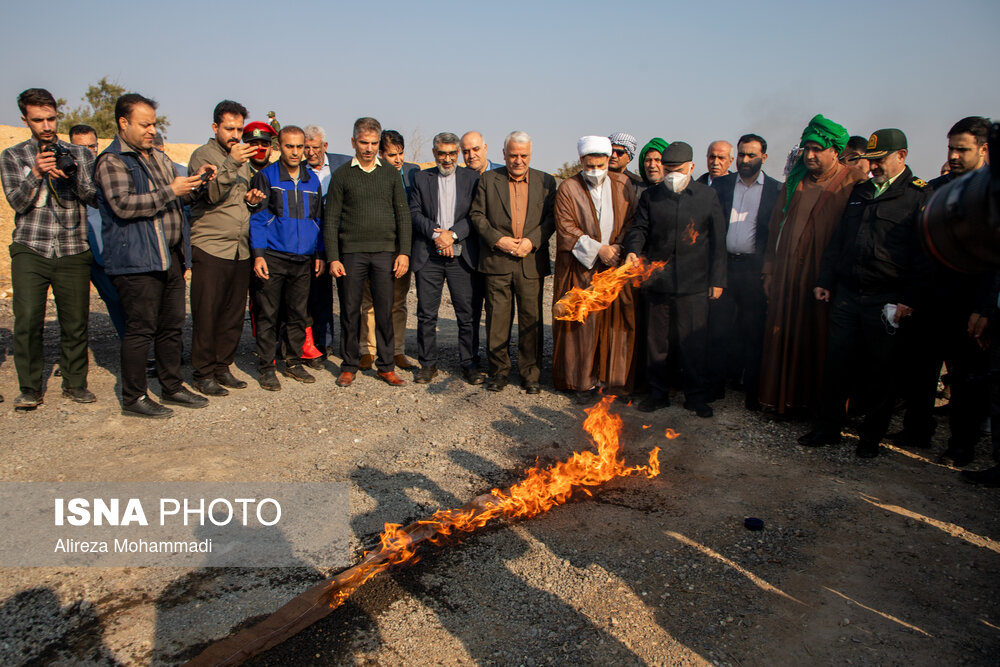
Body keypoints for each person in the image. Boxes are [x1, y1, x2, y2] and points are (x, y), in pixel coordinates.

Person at [798, 129, 931, 458]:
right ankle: (828, 428)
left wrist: (908, 298)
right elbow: (839, 241)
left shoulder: (917, 196)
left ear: (901, 156)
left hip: (885, 298)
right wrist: (824, 279)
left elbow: (923, 255)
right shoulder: (860, 192)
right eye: (870, 161)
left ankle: (870, 438)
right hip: (847, 293)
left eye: (880, 160)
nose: (873, 167)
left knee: (879, 370)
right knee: (837, 363)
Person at [94, 93, 214, 418]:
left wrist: (196, 184)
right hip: (137, 260)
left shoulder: (156, 157)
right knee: (140, 330)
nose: (151, 130)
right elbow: (123, 204)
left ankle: (172, 386)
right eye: (145, 124)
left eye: (153, 124)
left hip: (169, 257)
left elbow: (176, 200)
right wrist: (170, 192)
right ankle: (134, 397)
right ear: (123, 123)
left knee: (171, 326)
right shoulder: (113, 161)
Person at [892, 117, 992, 466]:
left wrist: (985, 308)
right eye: (951, 148)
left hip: (969, 304)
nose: (953, 156)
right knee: (920, 370)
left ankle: (961, 445)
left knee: (965, 378)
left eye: (962, 150)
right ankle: (917, 429)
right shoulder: (932, 189)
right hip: (927, 299)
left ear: (984, 150)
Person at [758, 115, 867, 417]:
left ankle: (819, 408)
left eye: (817, 149)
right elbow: (774, 227)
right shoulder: (796, 180)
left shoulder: (853, 181)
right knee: (784, 334)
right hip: (787, 276)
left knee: (819, 340)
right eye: (806, 148)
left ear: (834, 150)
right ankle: (783, 401)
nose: (809, 155)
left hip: (825, 281)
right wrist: (769, 269)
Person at [1, 88, 97, 409]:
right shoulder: (13, 156)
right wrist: (38, 173)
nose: (46, 126)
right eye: (38, 120)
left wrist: (70, 178)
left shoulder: (81, 154)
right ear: (25, 120)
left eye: (51, 118)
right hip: (31, 246)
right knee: (27, 319)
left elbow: (95, 197)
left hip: (73, 246)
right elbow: (17, 201)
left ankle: (75, 383)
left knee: (75, 320)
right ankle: (29, 387)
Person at [623, 141, 727, 417]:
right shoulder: (651, 196)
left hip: (695, 284)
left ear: (692, 167)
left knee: (693, 342)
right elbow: (639, 229)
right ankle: (658, 393)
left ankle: (695, 396)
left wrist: (718, 280)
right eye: (667, 170)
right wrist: (633, 251)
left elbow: (718, 241)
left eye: (678, 170)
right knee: (657, 343)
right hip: (658, 283)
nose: (671, 175)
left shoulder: (707, 196)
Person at [324, 117, 411, 388]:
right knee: (350, 311)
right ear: (353, 142)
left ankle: (386, 366)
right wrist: (333, 257)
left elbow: (403, 216)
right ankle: (349, 364)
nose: (369, 148)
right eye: (364, 142)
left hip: (385, 253)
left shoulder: (389, 173)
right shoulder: (341, 176)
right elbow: (331, 218)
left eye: (374, 143)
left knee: (385, 311)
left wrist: (403, 252)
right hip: (351, 254)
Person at [469, 131, 556, 393]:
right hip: (497, 261)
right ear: (504, 153)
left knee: (532, 320)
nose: (518, 160)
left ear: (531, 154)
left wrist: (532, 241)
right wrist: (499, 240)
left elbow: (552, 218)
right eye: (513, 155)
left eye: (524, 156)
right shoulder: (488, 180)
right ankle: (499, 372)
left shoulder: (546, 181)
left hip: (530, 261)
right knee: (497, 320)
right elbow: (477, 215)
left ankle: (531, 374)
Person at [553, 136, 638, 402]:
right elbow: (565, 228)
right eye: (589, 166)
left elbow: (633, 222)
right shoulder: (568, 187)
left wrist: (618, 250)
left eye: (600, 165)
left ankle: (610, 381)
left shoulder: (623, 184)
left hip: (615, 267)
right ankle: (580, 383)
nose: (595, 171)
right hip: (580, 268)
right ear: (581, 161)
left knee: (614, 325)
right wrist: (599, 249)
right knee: (582, 326)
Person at [186, 100, 261, 397]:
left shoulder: (241, 160)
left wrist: (252, 200)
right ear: (215, 127)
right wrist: (231, 162)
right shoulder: (203, 156)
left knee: (232, 313)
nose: (235, 135)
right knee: (207, 313)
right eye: (229, 128)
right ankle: (202, 373)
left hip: (239, 248)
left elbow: (236, 200)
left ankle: (222, 366)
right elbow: (213, 195)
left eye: (240, 129)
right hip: (211, 245)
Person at [707, 134, 782, 410]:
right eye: (741, 155)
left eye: (751, 155)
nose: (745, 160)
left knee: (753, 331)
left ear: (764, 157)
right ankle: (715, 386)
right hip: (724, 266)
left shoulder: (776, 190)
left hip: (755, 269)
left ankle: (752, 392)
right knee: (718, 328)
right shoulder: (722, 185)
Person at [249, 126, 325, 391]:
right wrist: (258, 255)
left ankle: (293, 361)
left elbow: (318, 219)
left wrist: (319, 253)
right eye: (289, 146)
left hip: (303, 258)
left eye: (299, 147)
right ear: (279, 146)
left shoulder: (312, 180)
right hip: (273, 255)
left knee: (297, 313)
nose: (295, 152)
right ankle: (267, 366)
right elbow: (257, 218)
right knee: (268, 313)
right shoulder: (265, 177)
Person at [409, 132, 483, 385]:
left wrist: (452, 235)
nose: (448, 158)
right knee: (427, 314)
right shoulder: (421, 178)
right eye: (442, 153)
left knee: (466, 313)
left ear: (458, 153)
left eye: (453, 153)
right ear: (434, 153)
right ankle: (427, 364)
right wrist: (436, 235)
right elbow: (414, 212)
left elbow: (476, 215)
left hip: (461, 257)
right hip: (429, 255)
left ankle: (469, 363)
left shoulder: (472, 179)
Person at [354, 129, 420, 371]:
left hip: (401, 248)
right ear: (381, 154)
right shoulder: (372, 174)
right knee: (369, 300)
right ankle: (368, 351)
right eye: (392, 154)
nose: (398, 159)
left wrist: (405, 249)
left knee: (398, 301)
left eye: (401, 154)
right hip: (373, 247)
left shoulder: (413, 173)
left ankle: (397, 351)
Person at [69, 123, 126, 340]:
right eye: (80, 148)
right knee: (73, 308)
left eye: (91, 147)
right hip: (72, 248)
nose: (87, 153)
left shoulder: (108, 167)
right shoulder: (61, 171)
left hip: (104, 249)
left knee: (116, 299)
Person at [303, 124, 352, 361]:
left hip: (344, 240)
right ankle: (323, 343)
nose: (310, 152)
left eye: (315, 147)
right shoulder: (299, 170)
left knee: (348, 296)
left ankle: (350, 346)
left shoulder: (344, 163)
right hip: (314, 241)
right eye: (306, 147)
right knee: (319, 295)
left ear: (325, 146)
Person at [460, 129, 502, 369]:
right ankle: (471, 359)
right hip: (469, 255)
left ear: (485, 148)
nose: (471, 155)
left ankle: (497, 361)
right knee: (471, 310)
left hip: (497, 253)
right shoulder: (459, 177)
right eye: (465, 151)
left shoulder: (501, 174)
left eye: (475, 149)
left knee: (496, 311)